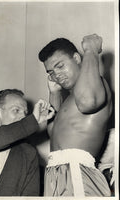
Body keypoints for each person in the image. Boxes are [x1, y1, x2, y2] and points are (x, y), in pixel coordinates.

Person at [38, 34, 113, 197]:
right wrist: (54, 94)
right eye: (51, 72)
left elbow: (88, 102)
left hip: (77, 171)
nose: (56, 75)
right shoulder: (70, 99)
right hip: (56, 173)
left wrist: (91, 51)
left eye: (60, 66)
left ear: (77, 58)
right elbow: (53, 132)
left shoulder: (95, 85)